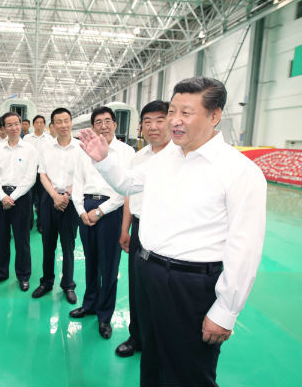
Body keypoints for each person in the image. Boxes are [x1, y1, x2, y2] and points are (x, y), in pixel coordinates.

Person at [80, 77, 267, 387]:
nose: (175, 121)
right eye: (173, 112)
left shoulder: (239, 171)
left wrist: (226, 310)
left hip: (191, 286)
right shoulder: (165, 157)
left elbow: (245, 248)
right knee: (152, 364)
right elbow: (128, 183)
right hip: (149, 273)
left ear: (214, 115)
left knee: (187, 372)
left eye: (186, 113)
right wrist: (103, 161)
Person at [70, 106, 135, 340]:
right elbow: (77, 182)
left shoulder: (126, 152)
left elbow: (125, 189)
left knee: (109, 267)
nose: (103, 126)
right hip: (87, 208)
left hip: (111, 210)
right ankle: (89, 304)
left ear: (115, 125)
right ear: (93, 127)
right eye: (98, 122)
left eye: (108, 121)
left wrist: (100, 211)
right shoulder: (83, 150)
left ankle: (105, 315)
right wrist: (81, 211)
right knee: (91, 261)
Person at [115, 100, 171, 358]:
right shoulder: (138, 157)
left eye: (159, 120)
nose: (153, 127)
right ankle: (136, 336)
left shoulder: (179, 157)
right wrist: (125, 229)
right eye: (147, 121)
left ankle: (159, 341)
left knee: (163, 289)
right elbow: (129, 194)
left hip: (166, 230)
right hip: (138, 227)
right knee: (137, 286)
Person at [31, 108, 80, 304]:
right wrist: (54, 196)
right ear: (52, 126)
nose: (63, 125)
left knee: (68, 246)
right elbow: (42, 174)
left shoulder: (80, 148)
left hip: (71, 201)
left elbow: (82, 176)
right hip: (49, 200)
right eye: (59, 121)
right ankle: (47, 282)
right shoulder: (46, 148)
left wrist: (66, 196)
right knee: (48, 244)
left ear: (71, 122)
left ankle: (68, 285)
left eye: (66, 120)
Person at [0, 112, 38, 291]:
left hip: (21, 197)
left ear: (21, 125)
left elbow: (30, 178)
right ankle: (1, 273)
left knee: (22, 239)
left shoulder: (29, 149)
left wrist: (12, 197)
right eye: (9, 125)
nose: (14, 128)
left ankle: (23, 275)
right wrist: (2, 196)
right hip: (1, 196)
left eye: (17, 124)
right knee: (1, 237)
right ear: (3, 128)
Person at [23, 115, 52, 233]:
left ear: (44, 125)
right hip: (29, 171)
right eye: (37, 122)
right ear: (33, 124)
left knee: (42, 200)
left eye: (41, 122)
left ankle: (41, 223)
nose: (39, 125)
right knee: (28, 199)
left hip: (43, 172)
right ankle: (28, 223)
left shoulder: (49, 139)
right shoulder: (27, 138)